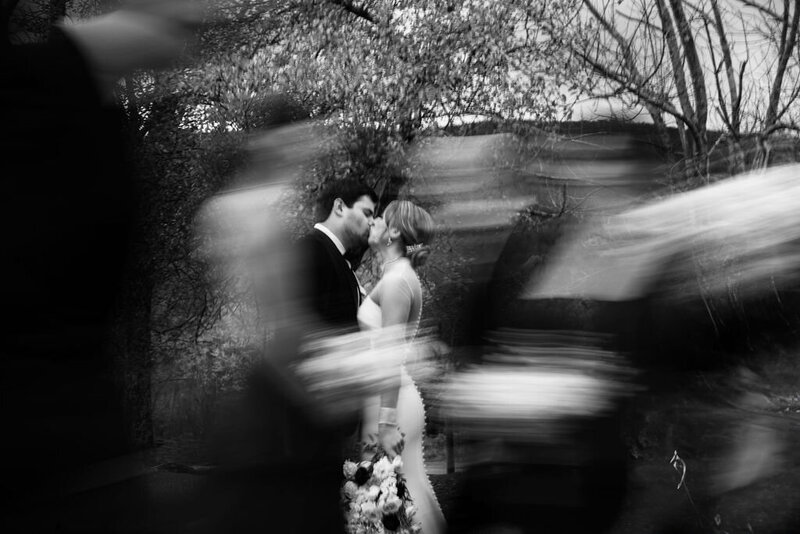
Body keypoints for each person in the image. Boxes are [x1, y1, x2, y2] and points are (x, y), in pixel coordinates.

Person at [356, 200, 447, 534]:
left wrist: (386, 421)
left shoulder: (397, 281)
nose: (375, 220)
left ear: (394, 230)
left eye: (381, 217)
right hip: (387, 397)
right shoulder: (396, 275)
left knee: (397, 506)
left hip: (390, 404)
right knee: (400, 503)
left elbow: (391, 353)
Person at [296, 178, 378, 330]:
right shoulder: (310, 249)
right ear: (340, 207)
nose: (372, 222)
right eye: (367, 214)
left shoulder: (337, 257)